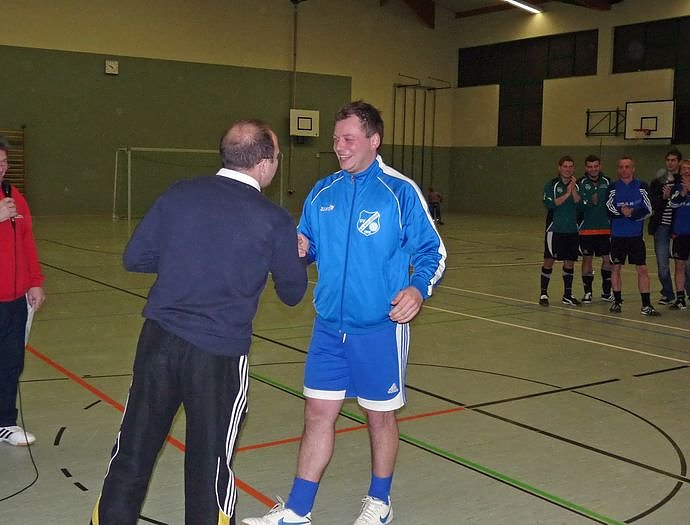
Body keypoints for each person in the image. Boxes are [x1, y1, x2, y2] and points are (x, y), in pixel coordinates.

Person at [90, 120, 308, 525]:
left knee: (133, 449)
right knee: (210, 464)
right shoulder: (274, 219)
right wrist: (299, 255)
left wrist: (188, 257)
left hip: (157, 344)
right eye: (277, 157)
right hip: (218, 358)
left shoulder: (179, 193)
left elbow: (135, 257)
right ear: (264, 163)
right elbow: (292, 292)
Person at [242, 101, 446, 525]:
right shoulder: (323, 192)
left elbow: (433, 251)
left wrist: (418, 288)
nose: (339, 146)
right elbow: (308, 245)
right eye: (336, 139)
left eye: (349, 138)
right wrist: (300, 250)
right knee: (317, 414)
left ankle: (380, 502)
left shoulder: (399, 191)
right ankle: (298, 510)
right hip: (329, 328)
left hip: (380, 327)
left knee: (379, 417)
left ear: (374, 140)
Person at [0, 140, 45, 447]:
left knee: (10, 362)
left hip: (15, 300)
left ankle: (5, 421)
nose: (1, 168)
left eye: (4, 162)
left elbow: (27, 241)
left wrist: (34, 281)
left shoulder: (14, 196)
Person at [606, 156, 659, 316]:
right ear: (618, 170)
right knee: (616, 267)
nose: (624, 170)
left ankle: (646, 305)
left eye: (627, 166)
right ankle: (616, 302)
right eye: (621, 167)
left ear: (633, 169)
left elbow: (649, 208)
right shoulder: (613, 187)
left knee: (642, 268)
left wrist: (632, 213)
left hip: (635, 236)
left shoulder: (642, 186)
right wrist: (621, 212)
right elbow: (608, 207)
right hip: (617, 236)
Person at [648, 148, 690, 305]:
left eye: (674, 160)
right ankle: (668, 294)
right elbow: (652, 204)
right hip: (661, 227)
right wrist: (664, 197)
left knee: (687, 265)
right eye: (668, 160)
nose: (670, 163)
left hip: (680, 229)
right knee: (663, 265)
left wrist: (685, 191)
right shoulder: (657, 182)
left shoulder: (683, 181)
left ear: (679, 162)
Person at [539, 155, 582, 307]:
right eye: (565, 166)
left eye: (570, 166)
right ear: (559, 168)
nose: (568, 169)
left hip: (572, 230)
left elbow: (581, 205)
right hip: (555, 229)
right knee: (549, 260)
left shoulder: (577, 186)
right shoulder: (551, 185)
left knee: (569, 262)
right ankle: (544, 293)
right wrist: (567, 193)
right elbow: (550, 204)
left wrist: (573, 190)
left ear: (574, 169)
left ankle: (567, 295)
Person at [577, 154, 613, 303]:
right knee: (587, 259)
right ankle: (588, 292)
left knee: (607, 259)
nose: (593, 169)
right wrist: (589, 202)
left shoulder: (608, 182)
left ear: (600, 166)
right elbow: (577, 205)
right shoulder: (580, 183)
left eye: (596, 166)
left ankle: (606, 292)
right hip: (586, 229)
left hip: (605, 229)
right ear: (586, 168)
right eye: (590, 167)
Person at [668, 159, 690, 310]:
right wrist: (683, 193)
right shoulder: (676, 188)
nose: (687, 171)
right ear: (680, 172)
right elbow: (673, 203)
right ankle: (680, 298)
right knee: (679, 265)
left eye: (689, 168)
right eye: (684, 169)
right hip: (680, 234)